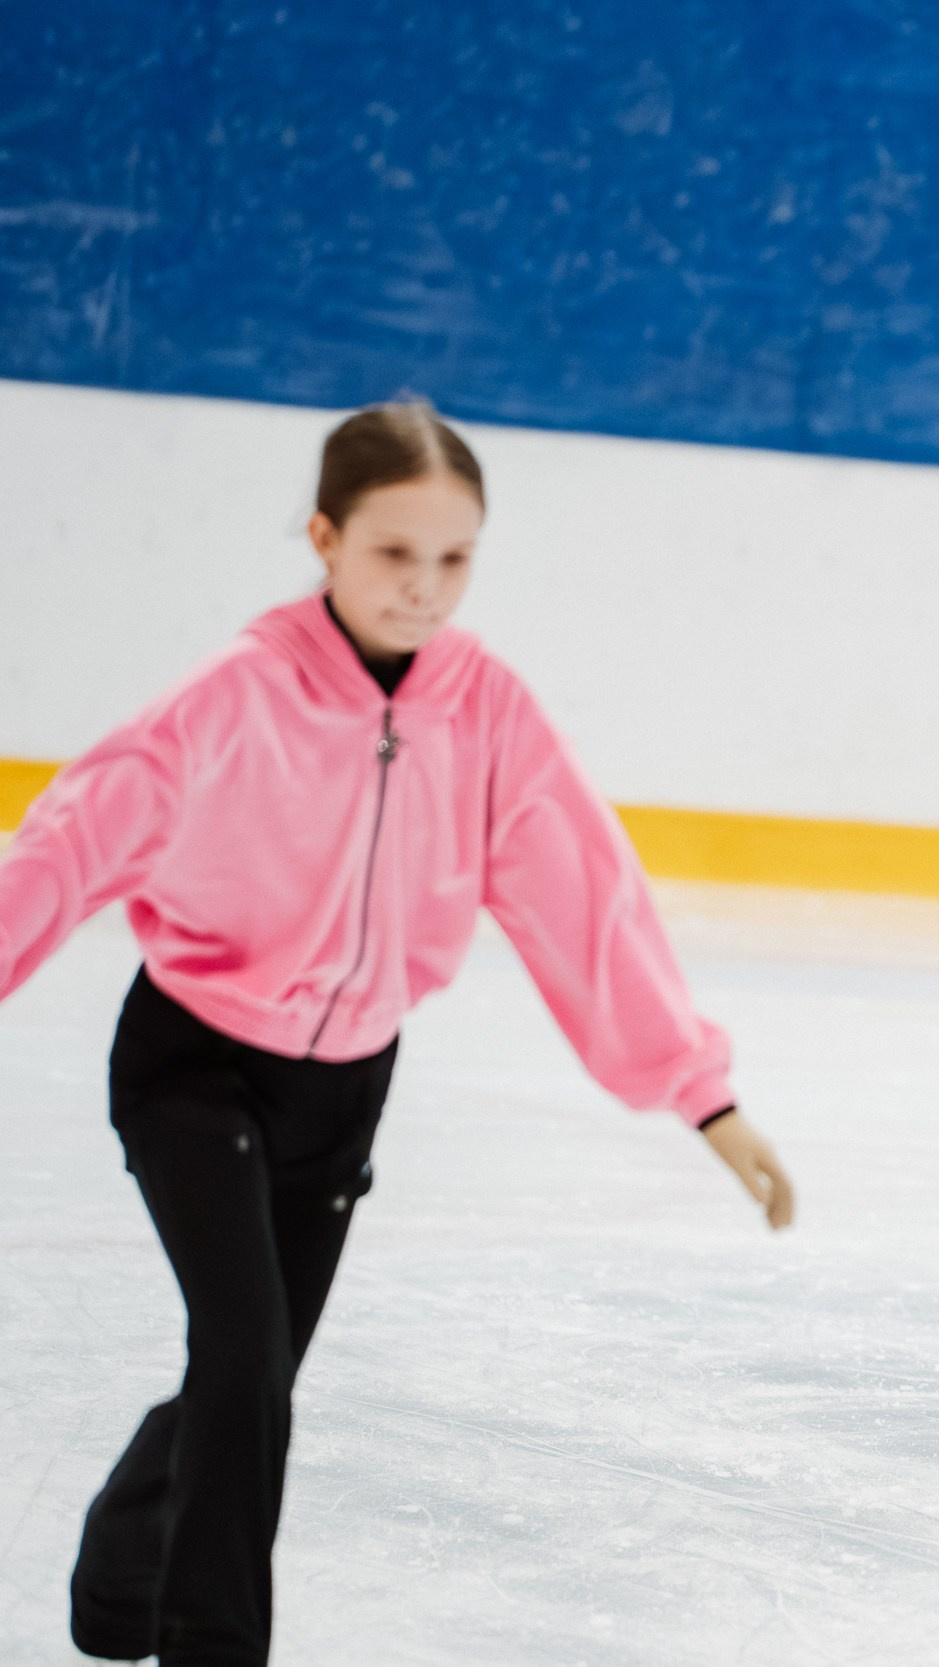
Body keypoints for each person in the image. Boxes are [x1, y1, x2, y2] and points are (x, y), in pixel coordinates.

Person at [0, 400, 796, 1666]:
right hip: (196, 1063)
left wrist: (700, 1093)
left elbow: (582, 902)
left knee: (251, 1373)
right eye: (392, 554)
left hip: (345, 1085)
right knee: (248, 1353)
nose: (424, 589)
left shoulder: (487, 716)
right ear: (323, 537)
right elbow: (59, 852)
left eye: (454, 560)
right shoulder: (231, 701)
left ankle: (116, 1567)